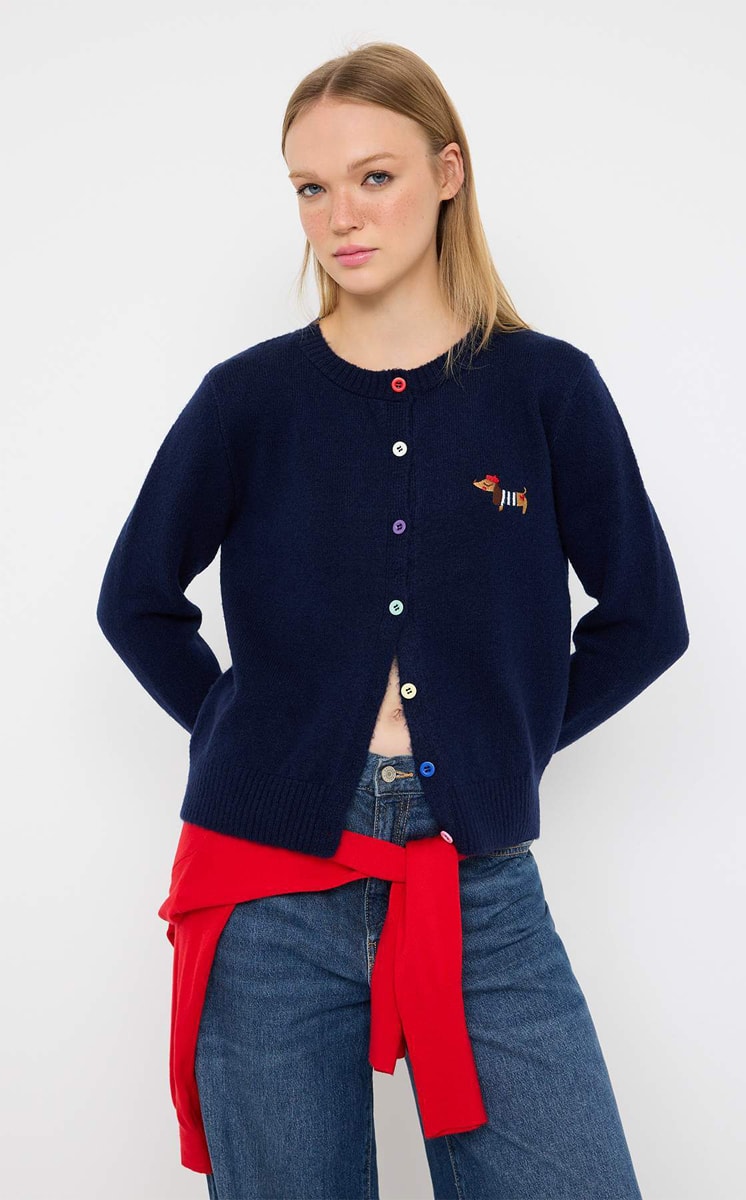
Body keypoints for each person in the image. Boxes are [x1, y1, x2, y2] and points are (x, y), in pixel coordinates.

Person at [97, 40, 690, 1200]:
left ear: (447, 173)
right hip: (267, 887)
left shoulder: (546, 389)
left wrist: (499, 741)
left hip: (475, 884)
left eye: (374, 176)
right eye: (310, 187)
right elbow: (137, 601)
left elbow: (643, 619)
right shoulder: (248, 399)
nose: (341, 216)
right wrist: (254, 736)